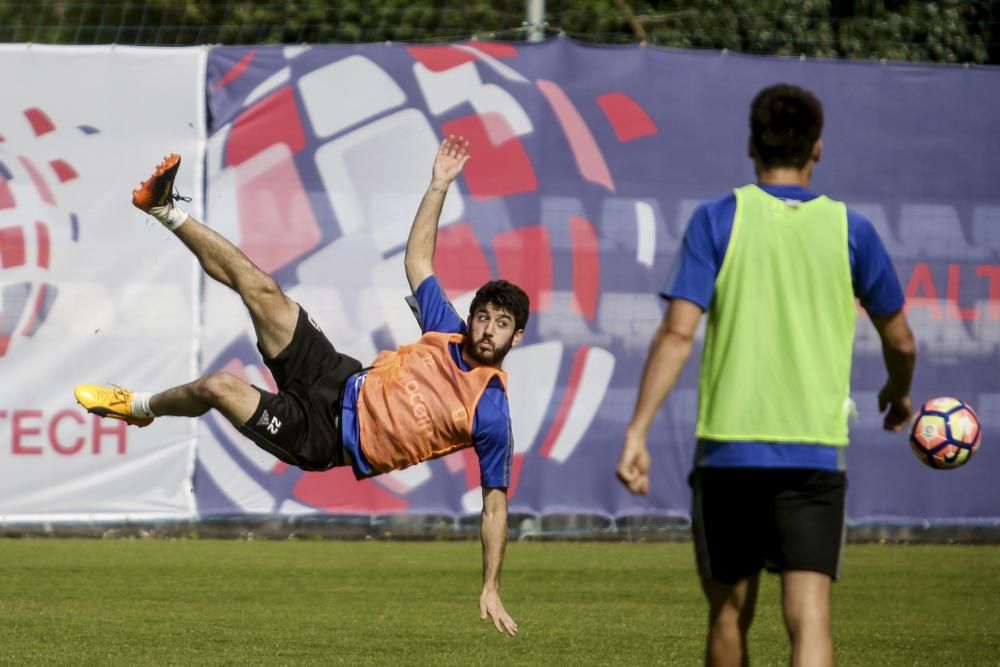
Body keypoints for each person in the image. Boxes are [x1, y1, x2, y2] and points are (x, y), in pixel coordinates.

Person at [75, 136, 527, 637]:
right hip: (338, 376)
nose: (487, 329)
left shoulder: (490, 411)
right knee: (262, 287)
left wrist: (491, 585)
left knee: (219, 387)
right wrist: (439, 184)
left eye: (501, 323)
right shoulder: (446, 330)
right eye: (483, 316)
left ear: (517, 335)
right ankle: (161, 209)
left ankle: (138, 407)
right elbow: (418, 261)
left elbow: (494, 505)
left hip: (324, 438)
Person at [616, 84, 916, 666]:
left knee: (729, 614)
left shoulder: (717, 220)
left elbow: (677, 334)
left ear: (750, 145)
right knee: (810, 619)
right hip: (814, 454)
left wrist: (637, 432)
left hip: (729, 451)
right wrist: (898, 393)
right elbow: (901, 339)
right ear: (818, 148)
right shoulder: (850, 231)